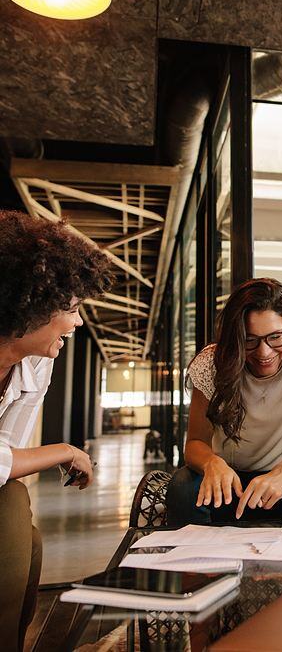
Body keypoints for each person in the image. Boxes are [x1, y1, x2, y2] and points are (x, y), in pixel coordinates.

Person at [0, 210, 112, 652]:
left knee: (25, 535)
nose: (78, 323)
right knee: (13, 525)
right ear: (28, 306)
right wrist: (65, 451)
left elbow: (6, 454)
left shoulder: (36, 365)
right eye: (71, 309)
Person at [166, 278, 282, 525]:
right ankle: (197, 561)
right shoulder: (211, 364)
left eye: (276, 337)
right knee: (183, 485)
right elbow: (194, 443)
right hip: (228, 488)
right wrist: (212, 463)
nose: (264, 352)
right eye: (249, 340)